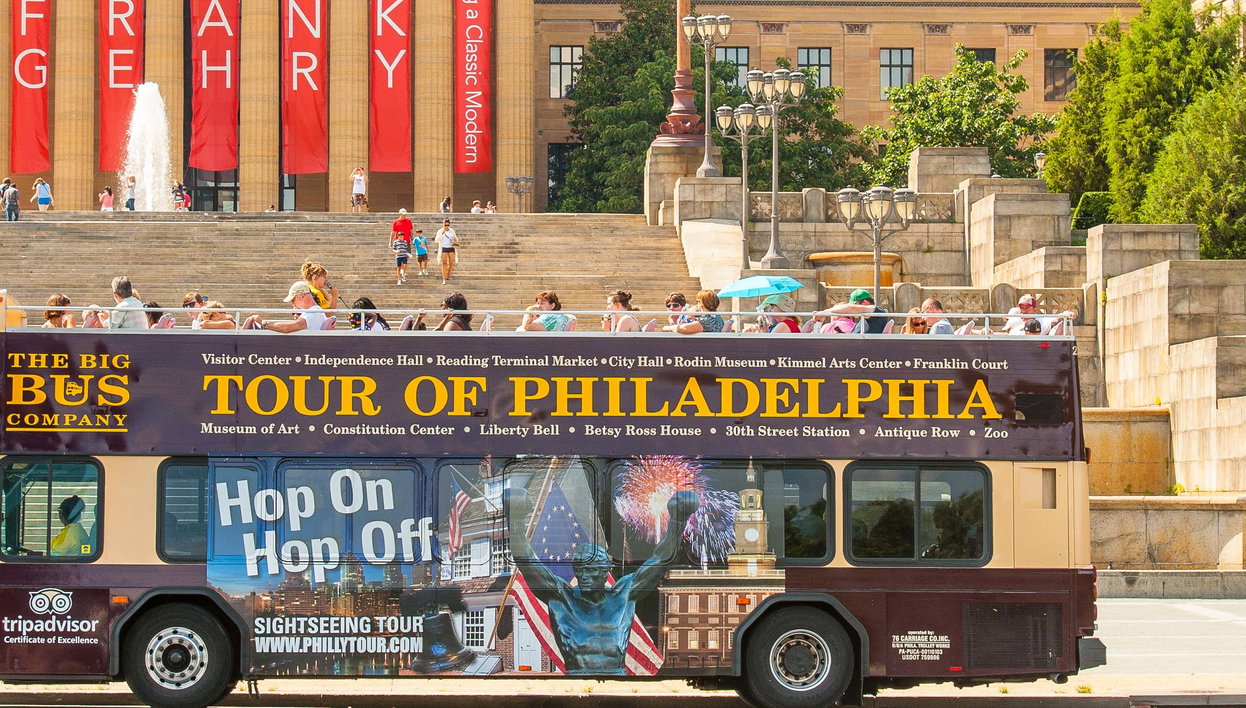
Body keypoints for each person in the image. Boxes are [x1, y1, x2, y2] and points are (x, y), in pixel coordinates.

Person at [505, 486, 698, 675]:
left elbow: (660, 559)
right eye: (579, 570)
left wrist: (678, 521)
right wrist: (515, 522)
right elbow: (526, 559)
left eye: (591, 570)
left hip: (618, 680)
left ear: (605, 572)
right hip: (576, 680)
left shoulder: (623, 595)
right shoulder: (562, 597)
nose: (583, 576)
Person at [242, 281, 327, 332]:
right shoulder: (315, 311)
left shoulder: (312, 313)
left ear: (302, 296)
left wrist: (264, 323)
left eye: (293, 300)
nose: (292, 304)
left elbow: (287, 328)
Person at [823, 288, 889, 334]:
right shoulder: (866, 318)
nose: (853, 312)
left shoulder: (877, 311)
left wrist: (824, 313)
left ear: (865, 302)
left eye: (855, 305)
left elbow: (851, 308)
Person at [390, 208, 414, 283]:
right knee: (400, 256)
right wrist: (390, 241)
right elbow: (393, 232)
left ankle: (403, 269)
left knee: (407, 256)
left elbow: (411, 230)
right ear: (400, 214)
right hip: (398, 242)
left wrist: (412, 238)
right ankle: (402, 270)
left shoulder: (408, 221)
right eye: (403, 215)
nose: (404, 216)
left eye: (405, 215)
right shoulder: (396, 222)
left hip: (407, 241)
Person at [436, 219, 460, 285]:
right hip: (443, 247)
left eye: (447, 225)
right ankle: (444, 279)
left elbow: (456, 238)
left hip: (451, 247)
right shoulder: (440, 231)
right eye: (445, 225)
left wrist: (455, 240)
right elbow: (436, 240)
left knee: (451, 263)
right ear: (443, 224)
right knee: (444, 263)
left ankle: (447, 276)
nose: (446, 226)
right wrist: (441, 234)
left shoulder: (452, 230)